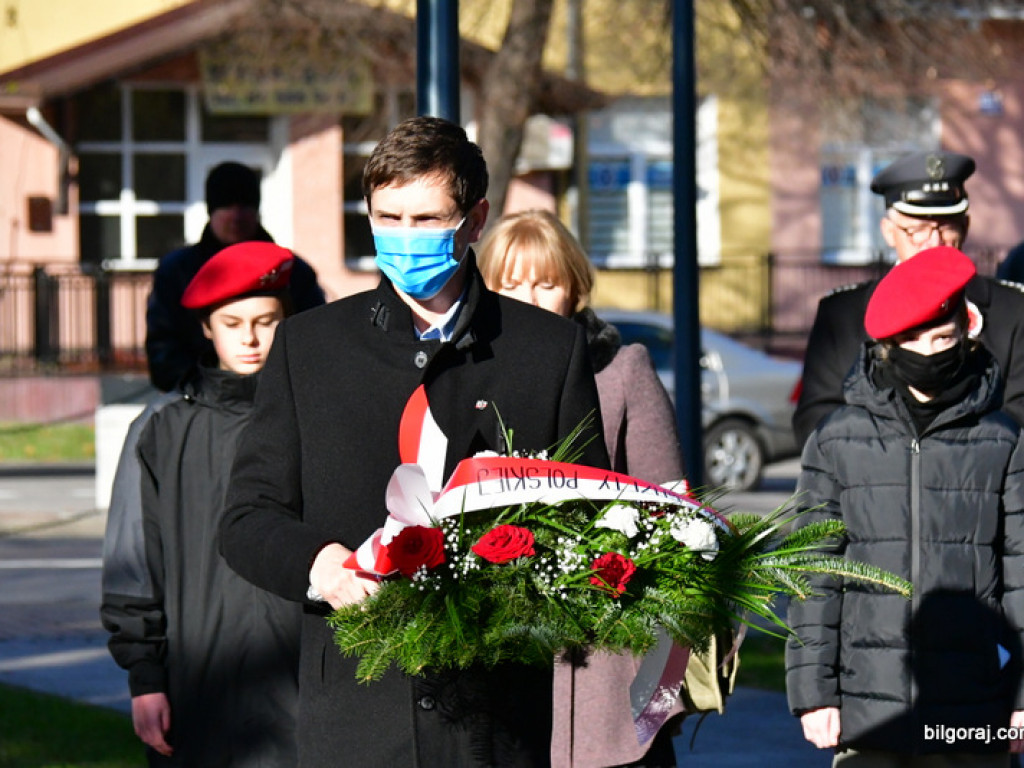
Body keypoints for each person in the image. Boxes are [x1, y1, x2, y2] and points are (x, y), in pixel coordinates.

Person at [218, 116, 609, 768]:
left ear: (475, 219)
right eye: (386, 218)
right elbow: (247, 517)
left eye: (426, 220)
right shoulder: (310, 348)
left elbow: (590, 523)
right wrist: (322, 566)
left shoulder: (548, 351)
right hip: (357, 715)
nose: (403, 238)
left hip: (495, 721)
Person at [786, 245, 1024, 766]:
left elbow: (1021, 570)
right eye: (915, 339)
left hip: (973, 708)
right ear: (888, 344)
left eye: (943, 337)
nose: (932, 352)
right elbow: (813, 572)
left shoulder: (1002, 439)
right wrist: (814, 691)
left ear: (968, 329)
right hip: (866, 706)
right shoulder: (836, 440)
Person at [478, 208, 684, 767]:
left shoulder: (621, 372)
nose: (529, 298)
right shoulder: (467, 379)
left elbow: (677, 529)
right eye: (510, 283)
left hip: (604, 671)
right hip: (495, 662)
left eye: (547, 283)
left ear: (575, 289)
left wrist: (659, 700)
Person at [101, 242, 301, 766]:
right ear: (207, 329)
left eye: (266, 320)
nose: (251, 338)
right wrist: (145, 679)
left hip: (304, 687)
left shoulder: (317, 418)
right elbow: (133, 567)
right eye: (232, 323)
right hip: (199, 690)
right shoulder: (159, 431)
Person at [793, 150, 1024, 447]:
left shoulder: (1014, 310)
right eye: (916, 230)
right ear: (889, 232)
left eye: (946, 226)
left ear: (965, 227)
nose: (933, 241)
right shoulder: (842, 314)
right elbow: (814, 424)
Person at [145, 160, 325, 392]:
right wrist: (202, 397)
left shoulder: (292, 271)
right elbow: (163, 351)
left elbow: (315, 341)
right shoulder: (177, 271)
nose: (236, 215)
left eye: (245, 205)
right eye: (225, 205)